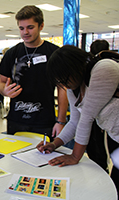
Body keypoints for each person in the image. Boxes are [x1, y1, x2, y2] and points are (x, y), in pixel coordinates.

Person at [36, 45, 119, 195]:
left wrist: (75, 156)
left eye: (65, 78)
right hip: (115, 136)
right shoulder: (73, 87)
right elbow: (74, 122)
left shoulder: (103, 69)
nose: (64, 84)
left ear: (76, 67)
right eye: (59, 82)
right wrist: (55, 144)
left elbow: (86, 118)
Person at [0, 5, 68, 139]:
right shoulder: (12, 53)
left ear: (41, 26)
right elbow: (1, 83)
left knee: (44, 158)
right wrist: (4, 91)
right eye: (21, 28)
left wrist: (61, 121)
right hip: (16, 119)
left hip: (44, 120)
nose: (25, 32)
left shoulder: (54, 53)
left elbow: (62, 88)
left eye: (30, 27)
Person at [84, 39, 111, 172]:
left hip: (104, 118)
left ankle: (101, 169)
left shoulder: (100, 68)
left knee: (97, 145)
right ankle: (102, 168)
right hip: (100, 117)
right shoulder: (107, 64)